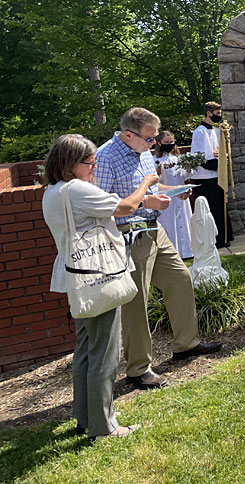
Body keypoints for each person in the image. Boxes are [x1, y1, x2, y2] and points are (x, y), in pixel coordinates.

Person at [95, 107, 222, 389]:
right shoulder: (105, 157)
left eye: (154, 140)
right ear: (129, 134)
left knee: (180, 279)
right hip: (130, 235)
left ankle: (185, 344)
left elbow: (151, 188)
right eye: (149, 139)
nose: (153, 145)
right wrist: (145, 201)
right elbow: (105, 205)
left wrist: (173, 191)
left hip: (155, 230)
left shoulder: (141, 151)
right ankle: (138, 369)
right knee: (136, 303)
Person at [42, 134, 149, 439]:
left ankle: (85, 417)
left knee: (86, 351)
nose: (94, 168)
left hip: (76, 277)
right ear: (70, 164)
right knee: (105, 353)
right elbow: (127, 206)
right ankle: (104, 427)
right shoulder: (77, 189)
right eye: (89, 162)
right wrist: (147, 183)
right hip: (98, 277)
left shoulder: (53, 191)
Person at [190, 101, 233, 249]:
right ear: (208, 113)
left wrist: (222, 156)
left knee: (220, 206)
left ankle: (224, 236)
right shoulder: (199, 132)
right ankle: (213, 239)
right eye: (217, 114)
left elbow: (220, 150)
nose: (219, 117)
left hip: (217, 174)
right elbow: (199, 156)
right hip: (205, 177)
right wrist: (215, 162)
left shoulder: (216, 131)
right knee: (210, 209)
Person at [154, 131, 193, 259]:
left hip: (181, 195)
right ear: (159, 143)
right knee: (170, 223)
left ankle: (187, 250)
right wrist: (159, 172)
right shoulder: (155, 160)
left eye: (171, 142)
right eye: (166, 142)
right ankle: (174, 251)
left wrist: (188, 168)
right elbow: (156, 183)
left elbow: (185, 175)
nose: (169, 144)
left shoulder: (178, 158)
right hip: (167, 196)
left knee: (185, 221)